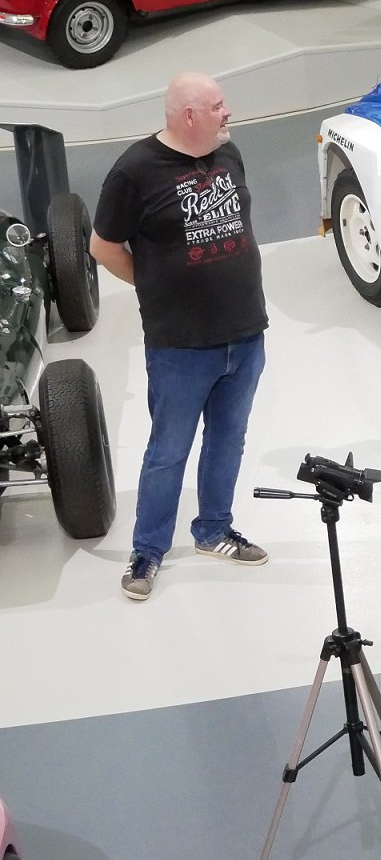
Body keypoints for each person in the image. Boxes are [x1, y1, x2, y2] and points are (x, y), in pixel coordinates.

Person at [91, 74, 269, 602]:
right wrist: (155, 287)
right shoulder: (135, 171)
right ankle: (147, 552)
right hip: (180, 344)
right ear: (188, 115)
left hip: (245, 332)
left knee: (228, 439)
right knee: (168, 450)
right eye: (217, 106)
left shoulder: (229, 154)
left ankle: (214, 530)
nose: (228, 113)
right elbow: (103, 246)